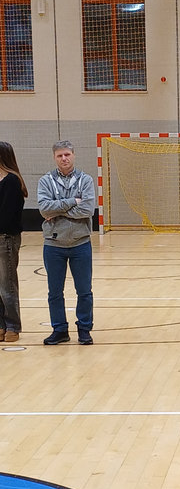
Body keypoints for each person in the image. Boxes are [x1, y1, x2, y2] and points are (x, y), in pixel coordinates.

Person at [37, 140, 95, 345]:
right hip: (53, 245)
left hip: (81, 243)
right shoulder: (46, 181)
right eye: (60, 155)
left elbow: (87, 210)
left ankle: (84, 329)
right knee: (54, 292)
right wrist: (72, 202)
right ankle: (60, 329)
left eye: (67, 154)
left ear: (74, 155)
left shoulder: (85, 180)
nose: (64, 158)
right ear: (54, 157)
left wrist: (57, 210)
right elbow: (44, 209)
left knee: (84, 291)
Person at [0, 142, 28, 343]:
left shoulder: (11, 181)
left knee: (7, 285)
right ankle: (1, 325)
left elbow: (8, 215)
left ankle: (12, 326)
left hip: (6, 237)